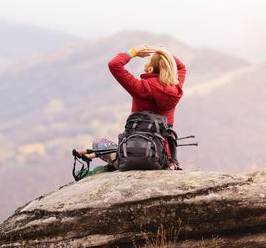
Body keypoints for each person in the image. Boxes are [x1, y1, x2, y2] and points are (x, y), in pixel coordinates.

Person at [77, 44, 186, 178]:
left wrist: (133, 52)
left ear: (150, 68)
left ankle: (107, 168)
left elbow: (114, 65)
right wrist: (165, 53)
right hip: (162, 158)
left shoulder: (140, 87)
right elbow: (182, 67)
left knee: (98, 143)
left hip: (133, 151)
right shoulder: (176, 89)